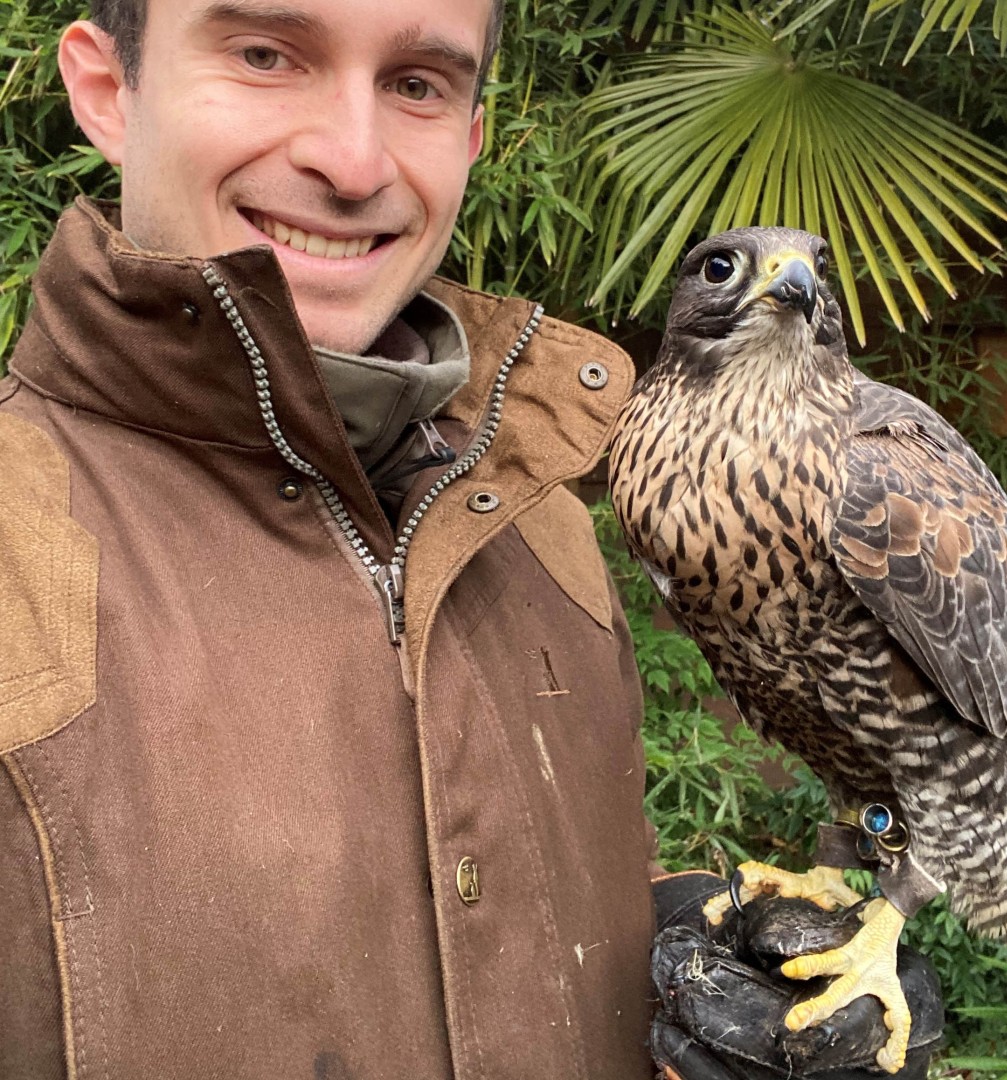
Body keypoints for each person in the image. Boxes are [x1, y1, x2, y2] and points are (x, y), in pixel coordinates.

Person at [0, 1, 658, 1076]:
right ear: (106, 89)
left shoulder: (544, 524)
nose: (354, 162)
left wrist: (703, 981)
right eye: (266, 56)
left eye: (418, 84)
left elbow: (584, 935)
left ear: (474, 135)